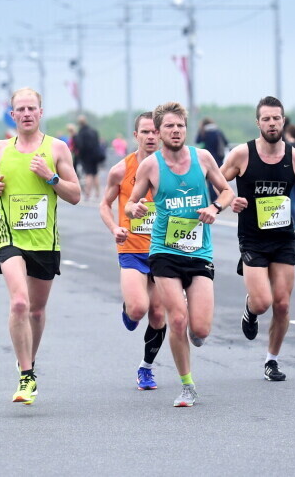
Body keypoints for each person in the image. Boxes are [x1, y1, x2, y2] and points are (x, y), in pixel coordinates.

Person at [0, 88, 81, 406]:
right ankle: (27, 375)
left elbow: (75, 195)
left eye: (32, 108)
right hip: (9, 238)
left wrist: (51, 178)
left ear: (41, 112)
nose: (27, 113)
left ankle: (26, 361)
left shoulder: (57, 149)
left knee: (36, 309)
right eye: (21, 109)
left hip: (45, 242)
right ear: (13, 115)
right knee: (19, 303)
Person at [125, 101, 234, 408]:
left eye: (180, 126)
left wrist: (215, 207)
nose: (176, 131)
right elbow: (131, 204)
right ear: (158, 132)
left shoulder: (203, 158)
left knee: (199, 329)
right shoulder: (150, 166)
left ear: (187, 128)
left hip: (199, 250)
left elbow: (227, 192)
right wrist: (135, 209)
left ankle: (195, 337)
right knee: (177, 320)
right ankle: (187, 386)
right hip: (164, 252)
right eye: (169, 126)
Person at [221, 97, 295, 382]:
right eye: (266, 119)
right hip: (252, 238)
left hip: (283, 238)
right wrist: (231, 201)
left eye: (276, 118)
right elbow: (216, 180)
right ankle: (250, 311)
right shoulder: (243, 154)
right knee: (263, 302)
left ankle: (272, 360)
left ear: (283, 120)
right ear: (258, 123)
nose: (272, 123)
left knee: (283, 305)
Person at [98, 112, 167, 391]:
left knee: (159, 314)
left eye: (155, 132)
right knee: (139, 310)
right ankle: (129, 307)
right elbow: (104, 204)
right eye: (145, 132)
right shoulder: (120, 170)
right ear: (136, 136)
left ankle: (146, 368)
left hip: (164, 250)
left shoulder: (172, 168)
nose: (151, 137)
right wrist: (114, 227)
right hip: (132, 249)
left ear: (162, 135)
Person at [74, 116, 103, 201]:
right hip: (96, 156)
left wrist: (80, 156)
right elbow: (97, 143)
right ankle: (98, 193)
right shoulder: (93, 131)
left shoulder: (81, 133)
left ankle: (87, 194)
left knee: (88, 174)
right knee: (95, 173)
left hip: (86, 157)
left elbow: (80, 146)